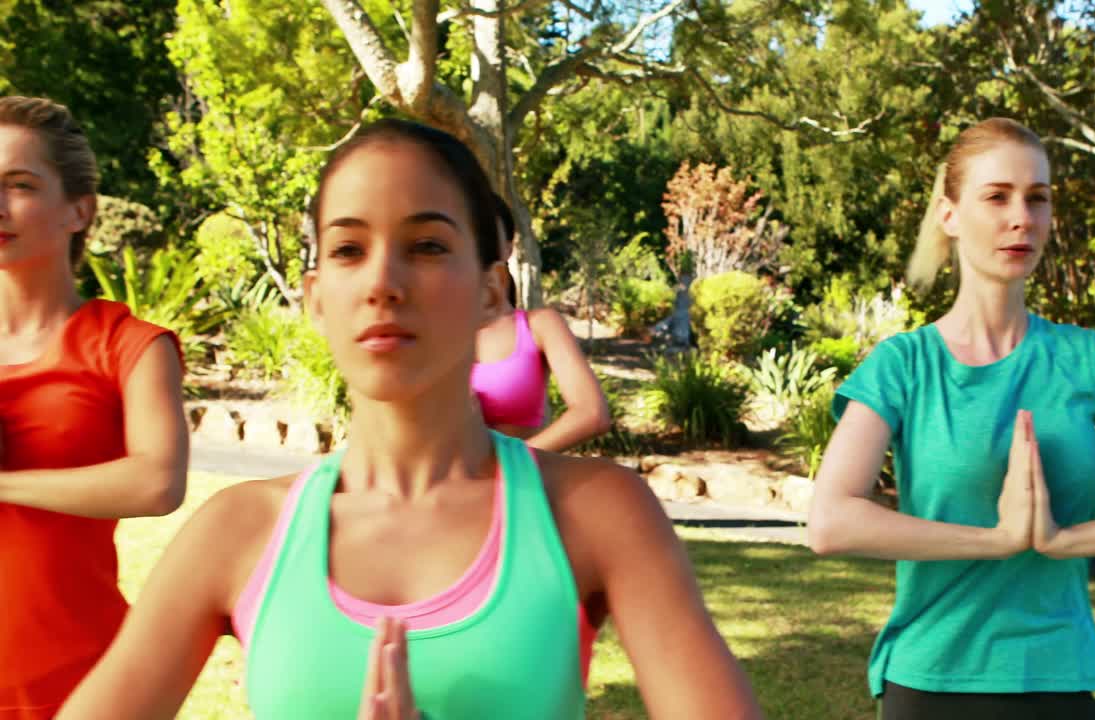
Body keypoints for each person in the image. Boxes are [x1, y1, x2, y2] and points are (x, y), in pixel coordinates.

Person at [58, 119, 762, 720]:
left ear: (492, 289)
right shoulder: (236, 533)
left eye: (426, 246)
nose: (382, 283)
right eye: (347, 250)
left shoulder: (595, 513)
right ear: (315, 297)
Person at [806, 117, 1095, 720]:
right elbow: (830, 522)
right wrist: (997, 542)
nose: (1023, 217)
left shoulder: (1085, 357)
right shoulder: (903, 365)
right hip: (930, 682)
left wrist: (1064, 541)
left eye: (1037, 199)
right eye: (997, 196)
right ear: (950, 214)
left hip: (1059, 682)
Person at [0, 95, 188, 719]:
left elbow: (158, 482)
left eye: (19, 185)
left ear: (80, 210)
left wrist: (6, 484)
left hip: (79, 686)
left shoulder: (129, 345)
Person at [471, 195, 611, 452]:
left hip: (524, 485)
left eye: (487, 236)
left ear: (508, 248)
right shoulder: (430, 331)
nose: (478, 247)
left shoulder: (540, 326)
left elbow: (592, 413)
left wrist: (513, 464)